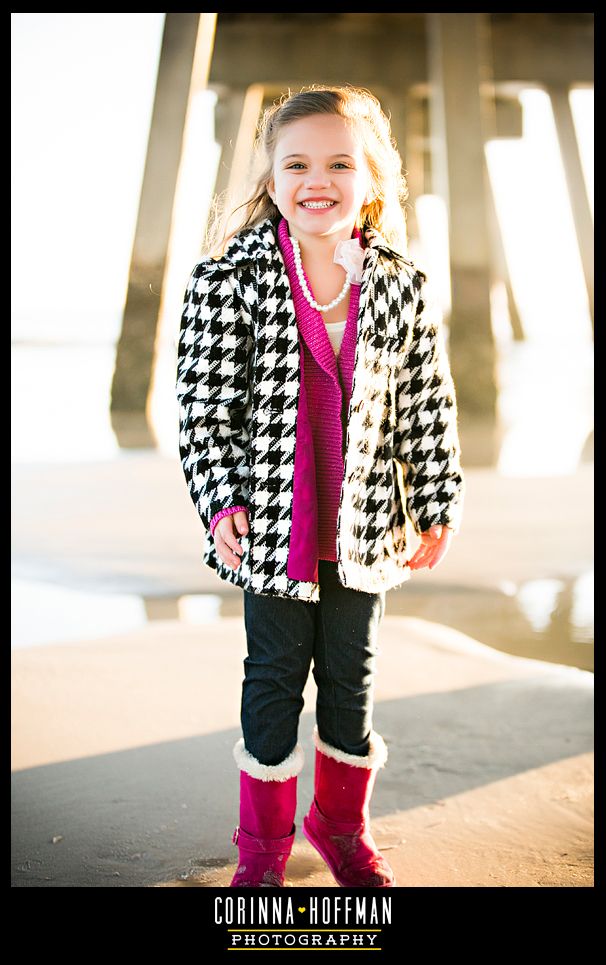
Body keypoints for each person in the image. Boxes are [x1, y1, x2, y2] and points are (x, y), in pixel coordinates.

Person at [176, 85, 465, 888]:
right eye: (297, 163)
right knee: (272, 677)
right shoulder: (227, 280)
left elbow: (427, 404)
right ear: (270, 181)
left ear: (371, 179)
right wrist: (222, 501)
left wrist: (437, 500)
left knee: (352, 672)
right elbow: (205, 412)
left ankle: (339, 826)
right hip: (276, 525)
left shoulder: (400, 285)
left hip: (364, 522)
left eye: (341, 162)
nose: (318, 179)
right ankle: (262, 845)